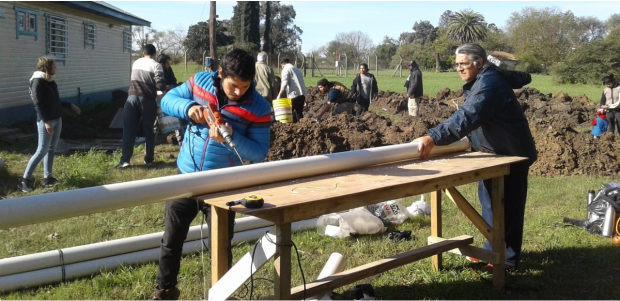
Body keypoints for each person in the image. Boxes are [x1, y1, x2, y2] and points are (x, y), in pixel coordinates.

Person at [153, 49, 272, 300]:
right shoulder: (199, 82)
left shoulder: (260, 108)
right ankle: (165, 290)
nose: (238, 92)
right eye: (233, 85)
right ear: (220, 74)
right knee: (171, 241)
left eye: (244, 86)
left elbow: (260, 153)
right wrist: (188, 107)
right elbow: (167, 100)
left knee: (221, 246)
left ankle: (223, 294)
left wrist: (233, 137)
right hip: (185, 178)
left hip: (223, 185)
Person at [414, 43, 537, 272]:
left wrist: (433, 137)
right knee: (489, 203)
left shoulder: (489, 84)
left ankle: (507, 260)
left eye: (463, 64)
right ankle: (491, 250)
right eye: (457, 65)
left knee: (508, 208)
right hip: (492, 153)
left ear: (479, 63)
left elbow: (469, 115)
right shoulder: (482, 79)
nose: (459, 69)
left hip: (512, 154)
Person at [18, 57, 81, 192]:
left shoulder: (50, 81)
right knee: (42, 150)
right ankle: (24, 181)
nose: (56, 68)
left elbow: (55, 101)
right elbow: (38, 105)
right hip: (46, 121)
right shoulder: (37, 82)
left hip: (57, 119)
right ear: (47, 67)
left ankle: (48, 178)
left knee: (51, 150)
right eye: (54, 66)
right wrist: (46, 122)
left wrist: (70, 105)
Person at [116, 44, 164, 169]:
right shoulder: (156, 65)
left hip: (131, 98)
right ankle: (148, 160)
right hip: (147, 100)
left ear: (143, 53)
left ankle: (125, 161)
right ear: (155, 54)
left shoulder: (136, 62)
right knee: (149, 130)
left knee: (129, 130)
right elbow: (160, 85)